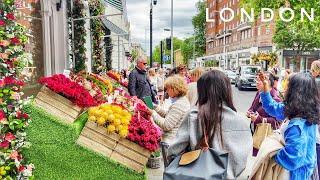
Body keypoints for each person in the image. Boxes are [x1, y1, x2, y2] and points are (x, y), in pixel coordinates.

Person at [167, 70, 252, 179]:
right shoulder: (241, 120)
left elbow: (175, 150)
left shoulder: (195, 116)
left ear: (202, 91)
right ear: (227, 90)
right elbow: (241, 159)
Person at [258, 72, 320, 180]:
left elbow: (292, 159)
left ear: (295, 92)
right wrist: (265, 89)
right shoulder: (303, 110)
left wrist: (271, 153)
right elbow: (272, 107)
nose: (286, 87)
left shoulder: (297, 126)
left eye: (289, 85)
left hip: (294, 175)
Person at [247, 73, 282, 156]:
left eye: (260, 80)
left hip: (266, 136)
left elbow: (278, 122)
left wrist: (260, 119)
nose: (257, 82)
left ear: (268, 82)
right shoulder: (259, 93)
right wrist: (250, 112)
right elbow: (253, 107)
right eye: (257, 80)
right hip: (257, 132)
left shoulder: (276, 99)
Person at [150, 75, 190, 144]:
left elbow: (166, 125)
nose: (167, 92)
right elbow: (169, 115)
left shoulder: (179, 105)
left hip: (171, 142)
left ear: (174, 89)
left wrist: (152, 113)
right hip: (174, 140)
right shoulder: (182, 101)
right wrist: (156, 107)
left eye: (168, 89)